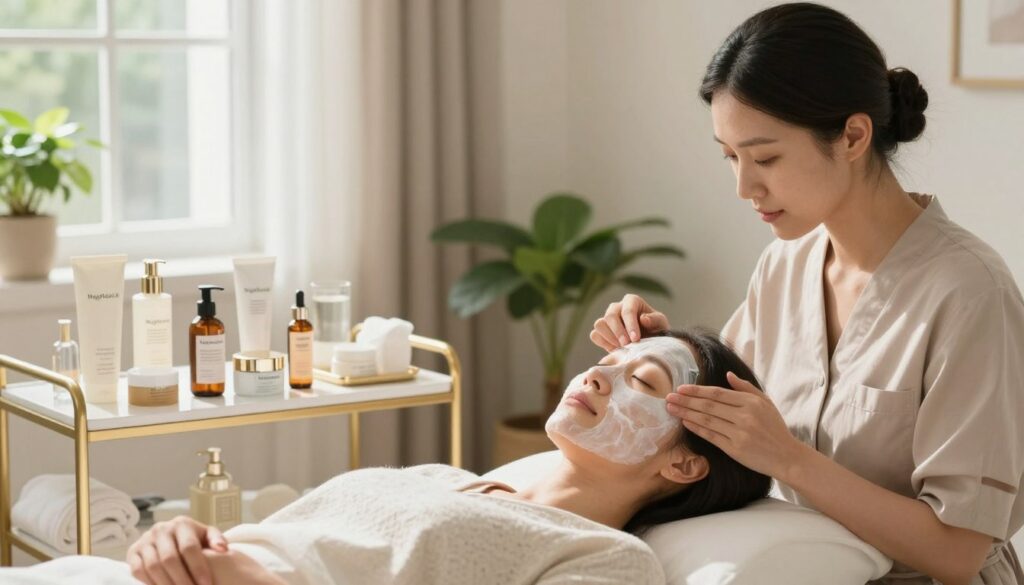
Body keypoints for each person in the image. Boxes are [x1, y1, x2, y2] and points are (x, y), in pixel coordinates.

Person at [592, 3, 1024, 584]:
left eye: (765, 157)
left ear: (853, 136)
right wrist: (657, 351)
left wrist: (789, 459)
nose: (744, 186)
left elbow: (958, 552)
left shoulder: (970, 294)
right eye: (730, 157)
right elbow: (726, 419)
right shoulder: (785, 265)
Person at [120, 329, 769, 585]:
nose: (598, 374)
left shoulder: (608, 560)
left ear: (684, 464)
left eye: (645, 381)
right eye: (609, 360)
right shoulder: (441, 478)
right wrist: (176, 539)